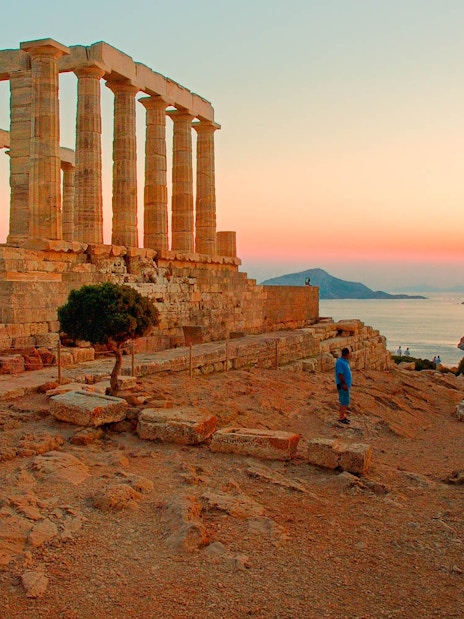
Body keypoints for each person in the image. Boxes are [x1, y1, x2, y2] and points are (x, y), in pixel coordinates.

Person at [335, 347, 352, 424]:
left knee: (345, 401)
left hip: (346, 385)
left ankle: (343, 416)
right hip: (343, 385)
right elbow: (340, 374)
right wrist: (344, 384)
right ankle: (341, 417)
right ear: (347, 354)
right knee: (344, 401)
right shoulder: (340, 362)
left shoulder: (345, 361)